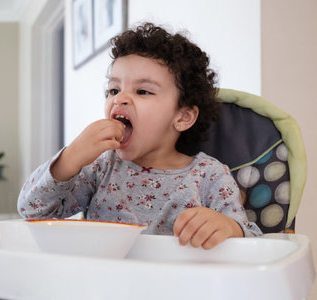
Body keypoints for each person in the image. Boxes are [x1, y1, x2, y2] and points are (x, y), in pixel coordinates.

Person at [18, 22, 262, 249]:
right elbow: (33, 212)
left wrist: (228, 227)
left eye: (143, 91)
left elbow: (252, 245)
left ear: (183, 117)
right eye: (113, 89)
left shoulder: (210, 176)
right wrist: (70, 158)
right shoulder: (101, 168)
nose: (119, 98)